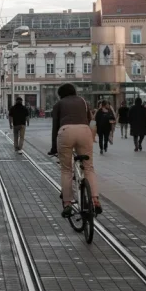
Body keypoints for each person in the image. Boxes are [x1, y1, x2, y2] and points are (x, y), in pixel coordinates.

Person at [48, 83, 101, 218]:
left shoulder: (59, 104)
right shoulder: (83, 101)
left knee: (66, 170)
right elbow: (90, 119)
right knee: (88, 168)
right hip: (84, 131)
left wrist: (54, 147)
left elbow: (55, 126)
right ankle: (95, 200)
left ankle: (67, 204)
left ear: (61, 94)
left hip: (66, 132)